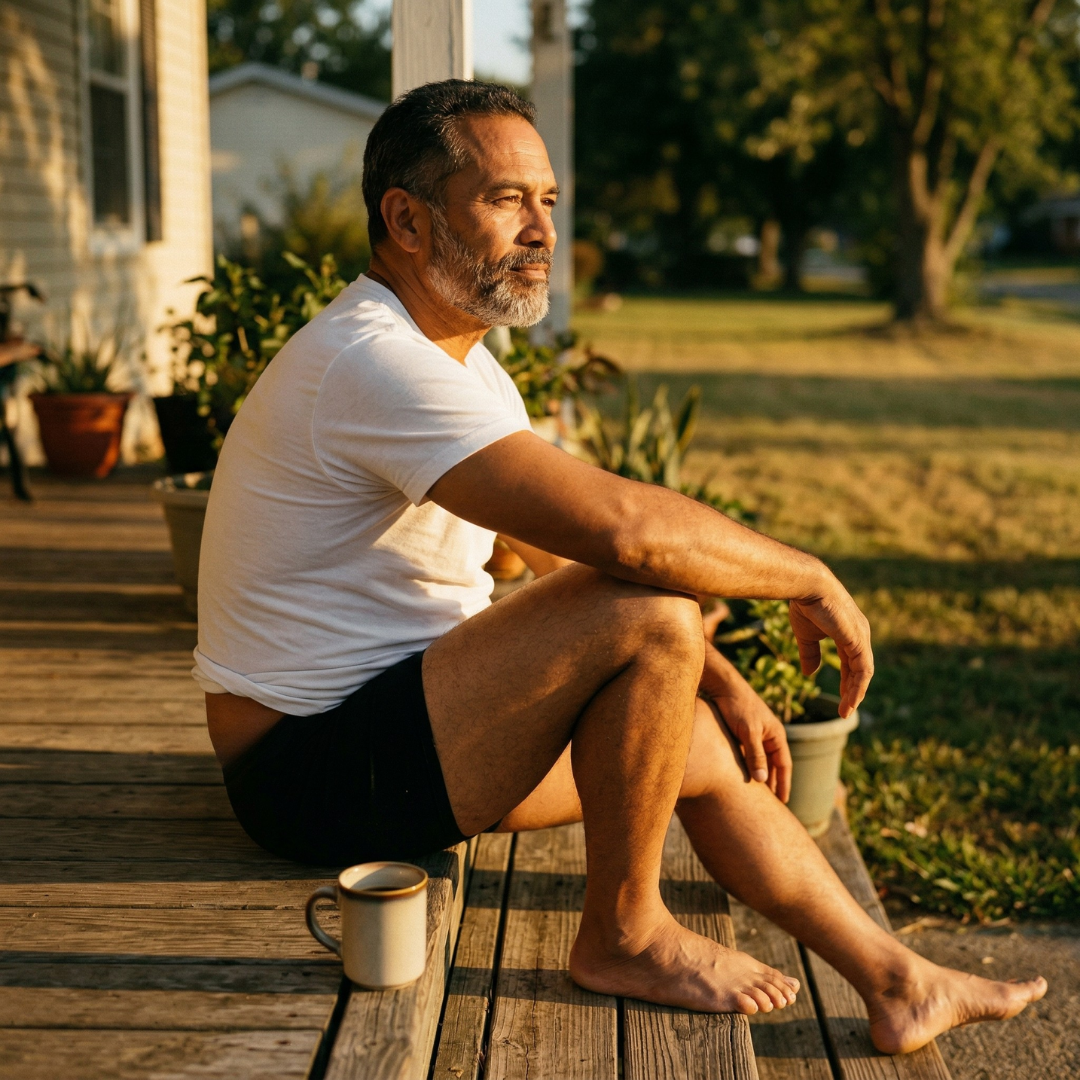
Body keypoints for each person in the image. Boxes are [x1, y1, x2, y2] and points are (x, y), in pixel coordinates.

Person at [195, 80, 1045, 1054]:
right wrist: (809, 576)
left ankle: (900, 981)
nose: (542, 228)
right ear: (408, 221)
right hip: (307, 771)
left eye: (548, 201)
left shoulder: (465, 364)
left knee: (693, 731)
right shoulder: (369, 360)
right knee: (649, 613)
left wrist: (716, 677)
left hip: (404, 732)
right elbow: (623, 534)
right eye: (506, 198)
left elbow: (541, 549)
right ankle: (625, 933)